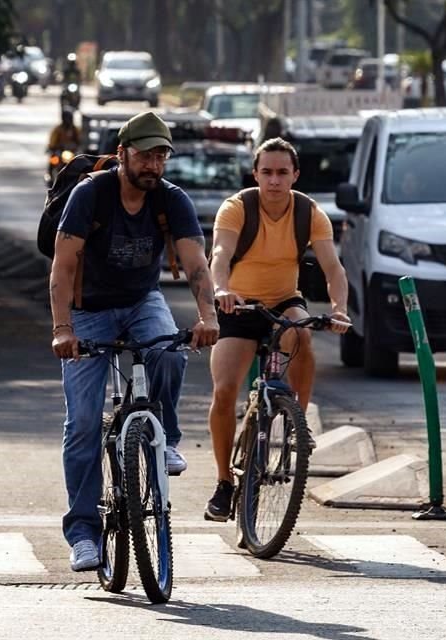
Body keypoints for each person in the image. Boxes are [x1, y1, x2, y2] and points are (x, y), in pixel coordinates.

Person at [49, 111, 219, 571]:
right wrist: (63, 329)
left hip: (142, 299)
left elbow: (197, 263)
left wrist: (208, 316)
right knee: (83, 422)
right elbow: (63, 267)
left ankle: (165, 438)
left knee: (168, 349)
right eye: (145, 154)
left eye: (160, 155)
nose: (153, 164)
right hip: (88, 310)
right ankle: (83, 532)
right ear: (122, 153)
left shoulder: (171, 200)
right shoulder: (90, 196)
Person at [204, 137, 351, 522]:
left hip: (284, 300)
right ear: (255, 174)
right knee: (223, 391)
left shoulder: (309, 212)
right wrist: (221, 289)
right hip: (239, 304)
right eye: (266, 172)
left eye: (282, 172)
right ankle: (223, 483)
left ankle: (296, 425)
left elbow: (333, 267)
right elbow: (219, 254)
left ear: (295, 175)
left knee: (302, 333)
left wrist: (339, 309)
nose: (274, 180)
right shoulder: (236, 208)